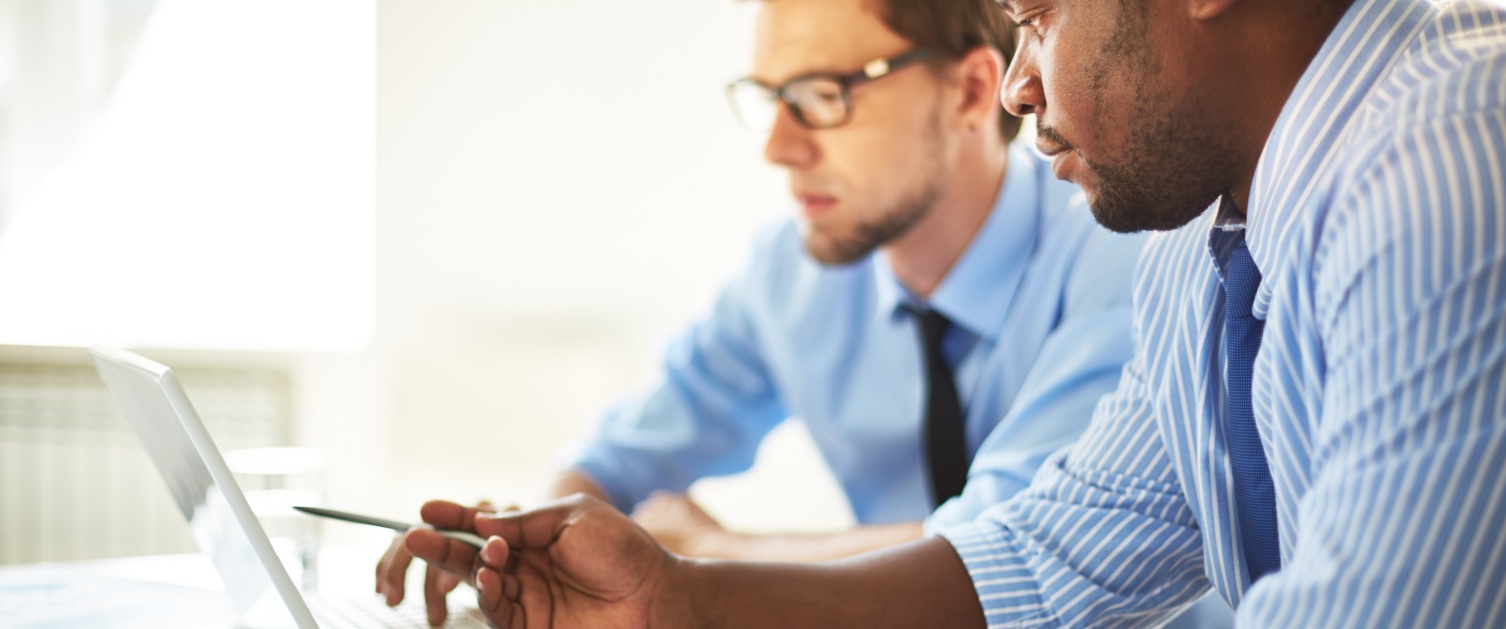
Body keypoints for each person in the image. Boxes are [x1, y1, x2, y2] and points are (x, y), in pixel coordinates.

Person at [402, 0, 1506, 625]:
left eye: (1041, 16)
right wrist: (680, 597)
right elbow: (1052, 552)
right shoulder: (1198, 237)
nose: (1026, 87)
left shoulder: (1444, 155)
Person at [376, 0, 1148, 625]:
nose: (778, 147)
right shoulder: (794, 270)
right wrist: (521, 543)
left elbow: (1011, 546)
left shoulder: (1119, 253)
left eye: (822, 95)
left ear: (972, 92)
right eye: (770, 98)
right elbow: (616, 458)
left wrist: (711, 555)